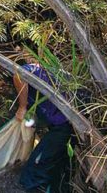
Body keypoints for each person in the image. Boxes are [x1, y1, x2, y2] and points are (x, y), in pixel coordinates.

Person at [13, 62, 74, 193]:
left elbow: (19, 75)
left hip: (64, 124)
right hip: (65, 122)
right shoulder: (50, 70)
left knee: (32, 172)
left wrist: (22, 106)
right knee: (52, 161)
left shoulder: (30, 69)